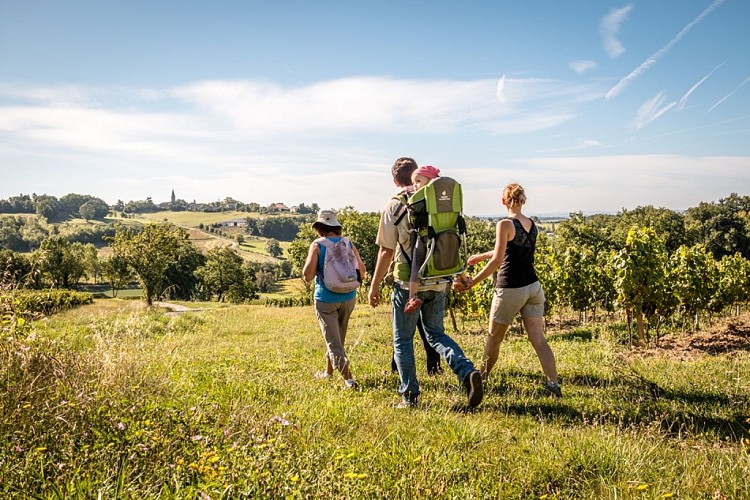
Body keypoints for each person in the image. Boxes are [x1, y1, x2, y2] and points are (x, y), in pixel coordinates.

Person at [369, 157, 483, 408]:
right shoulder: (436, 201)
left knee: (403, 340)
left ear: (394, 179)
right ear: (414, 176)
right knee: (436, 333)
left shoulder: (395, 206)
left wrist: (374, 285)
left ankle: (409, 396)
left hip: (408, 285)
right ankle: (466, 371)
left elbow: (386, 251)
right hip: (439, 278)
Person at [454, 183, 561, 397]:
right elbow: (510, 248)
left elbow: (498, 260)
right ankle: (553, 385)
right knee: (539, 340)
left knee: (494, 338)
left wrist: (473, 281)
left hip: (511, 288)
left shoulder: (504, 224)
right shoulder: (531, 224)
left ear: (503, 201)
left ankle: (480, 380)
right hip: (533, 287)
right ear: (523, 200)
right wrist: (481, 257)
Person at [303, 209, 367, 390]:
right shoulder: (348, 243)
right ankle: (328, 373)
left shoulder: (317, 244)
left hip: (326, 299)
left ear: (319, 228)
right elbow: (362, 271)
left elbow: (307, 275)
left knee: (333, 341)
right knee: (336, 339)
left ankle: (350, 381)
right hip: (349, 297)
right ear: (336, 227)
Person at [404, 165, 441, 314]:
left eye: (418, 181)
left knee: (416, 265)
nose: (415, 185)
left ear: (431, 181)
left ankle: (412, 296)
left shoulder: (421, 198)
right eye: (414, 182)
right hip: (445, 234)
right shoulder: (444, 199)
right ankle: (462, 277)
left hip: (426, 236)